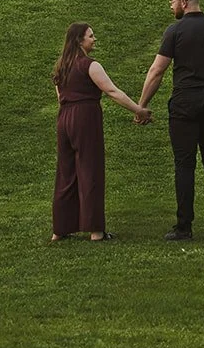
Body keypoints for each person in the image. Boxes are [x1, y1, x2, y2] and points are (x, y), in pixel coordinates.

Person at [135, 0, 204, 240]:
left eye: (172, 2)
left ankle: (184, 226)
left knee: (184, 165)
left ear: (184, 2)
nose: (171, 6)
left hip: (184, 105)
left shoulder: (175, 31)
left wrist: (142, 105)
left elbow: (157, 71)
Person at [52, 21, 149, 242]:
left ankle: (60, 229)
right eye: (91, 36)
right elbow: (112, 91)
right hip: (85, 117)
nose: (94, 39)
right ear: (80, 41)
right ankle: (95, 230)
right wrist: (139, 110)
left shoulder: (61, 67)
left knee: (66, 173)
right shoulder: (90, 65)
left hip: (64, 118)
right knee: (90, 170)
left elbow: (60, 98)